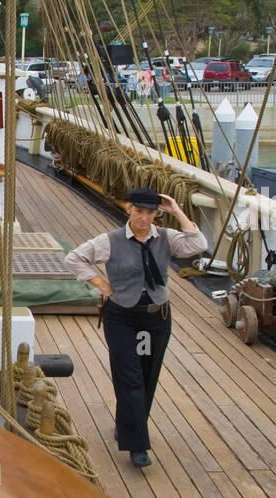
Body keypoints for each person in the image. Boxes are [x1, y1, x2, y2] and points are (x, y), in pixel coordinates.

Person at [65, 187, 208, 467]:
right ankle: (137, 446)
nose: (144, 218)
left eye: (150, 213)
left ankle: (127, 426)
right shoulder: (110, 241)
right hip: (122, 317)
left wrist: (176, 210)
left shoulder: (166, 238)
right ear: (129, 209)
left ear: (157, 214)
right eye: (139, 211)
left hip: (156, 318)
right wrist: (103, 285)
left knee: (147, 376)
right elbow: (74, 258)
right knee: (129, 376)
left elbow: (199, 244)